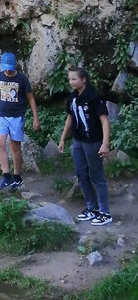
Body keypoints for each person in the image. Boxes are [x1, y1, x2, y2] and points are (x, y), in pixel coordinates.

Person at [58, 66, 112, 225]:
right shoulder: (72, 98)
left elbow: (104, 121)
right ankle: (92, 208)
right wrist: (62, 139)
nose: (71, 82)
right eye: (69, 79)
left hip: (93, 142)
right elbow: (69, 119)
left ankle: (105, 212)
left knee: (97, 176)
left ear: (83, 80)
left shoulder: (94, 97)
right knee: (81, 174)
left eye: (74, 79)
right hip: (78, 141)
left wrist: (105, 143)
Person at [0, 50, 39, 189]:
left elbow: (31, 98)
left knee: (15, 147)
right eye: (5, 69)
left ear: (15, 66)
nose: (7, 72)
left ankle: (17, 177)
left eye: (10, 69)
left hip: (16, 116)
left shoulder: (22, 79)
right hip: (1, 115)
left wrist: (35, 118)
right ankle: (6, 176)